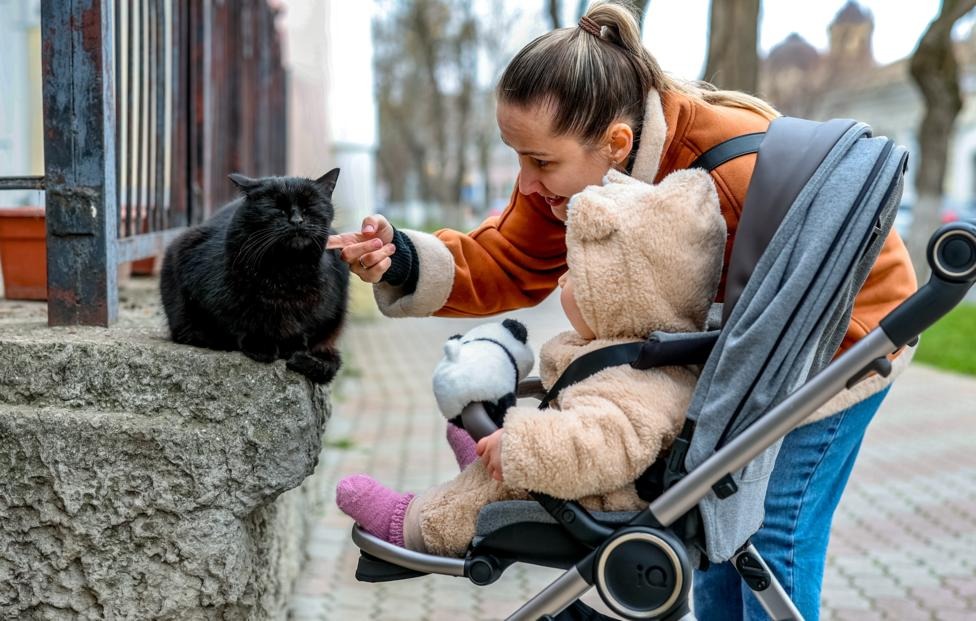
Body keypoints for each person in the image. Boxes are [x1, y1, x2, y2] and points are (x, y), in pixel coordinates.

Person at [327, 2, 917, 618]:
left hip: (838, 338)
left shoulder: (727, 169)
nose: (525, 183)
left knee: (767, 532)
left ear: (617, 143)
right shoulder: (577, 163)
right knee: (711, 527)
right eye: (517, 155)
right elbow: (510, 257)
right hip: (752, 331)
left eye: (540, 162)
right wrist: (400, 260)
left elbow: (757, 322)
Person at [335, 167, 726, 559]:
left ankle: (414, 524)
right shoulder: (634, 351)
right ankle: (483, 466)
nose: (561, 281)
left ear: (620, 292)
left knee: (488, 498)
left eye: (574, 273)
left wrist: (520, 447)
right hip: (571, 474)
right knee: (504, 463)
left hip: (590, 498)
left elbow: (599, 445)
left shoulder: (643, 387)